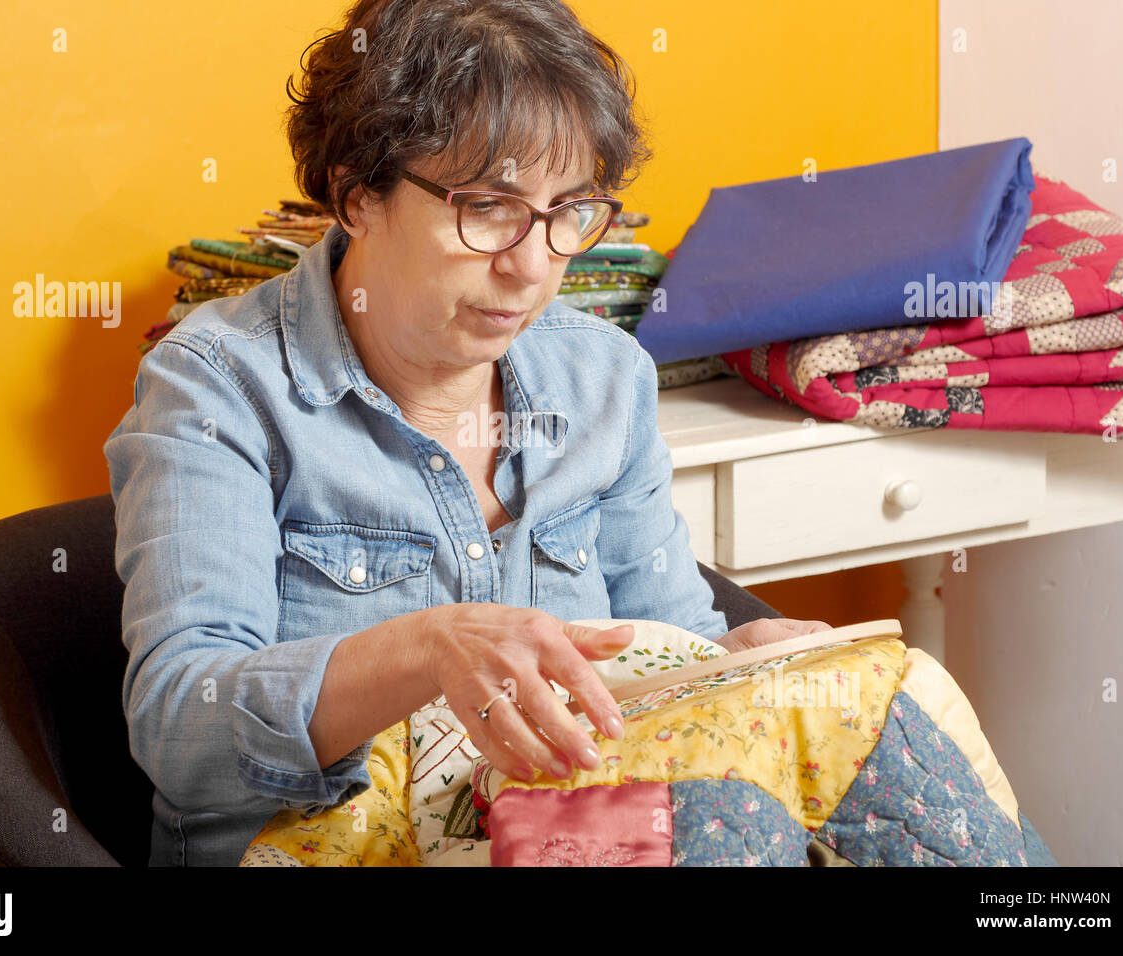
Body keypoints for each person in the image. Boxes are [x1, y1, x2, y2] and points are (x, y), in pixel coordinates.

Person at [104, 0, 828, 867]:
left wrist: (728, 661)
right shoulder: (219, 384)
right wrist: (425, 648)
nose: (532, 265)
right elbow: (183, 731)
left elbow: (663, 648)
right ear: (356, 193)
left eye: (570, 211)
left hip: (567, 841)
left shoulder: (602, 376)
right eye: (487, 207)